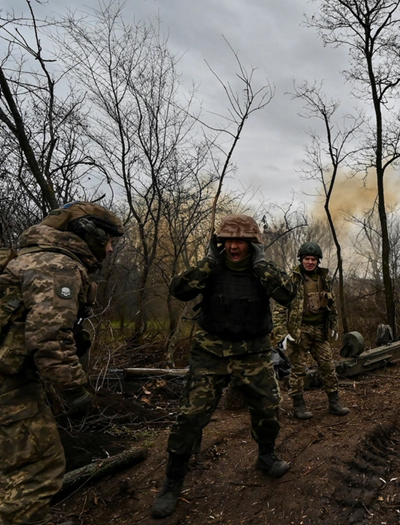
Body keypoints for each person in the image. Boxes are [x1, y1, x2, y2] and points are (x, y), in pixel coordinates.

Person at [151, 215, 296, 519]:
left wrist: (261, 265)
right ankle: (173, 481)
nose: (233, 246)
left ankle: (266, 455)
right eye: (228, 240)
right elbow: (180, 290)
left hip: (253, 352)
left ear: (252, 244)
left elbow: (287, 294)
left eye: (240, 240)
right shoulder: (211, 268)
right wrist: (208, 263)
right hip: (211, 352)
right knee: (190, 415)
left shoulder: (262, 270)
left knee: (269, 407)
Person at [0, 202, 124, 525]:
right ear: (89, 234)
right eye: (109, 240)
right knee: (37, 467)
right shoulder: (57, 266)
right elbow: (49, 340)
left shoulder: (29, 257)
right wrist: (77, 393)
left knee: (18, 462)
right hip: (8, 384)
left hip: (13, 376)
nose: (110, 249)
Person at [273, 242, 349, 420]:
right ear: (301, 259)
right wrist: (281, 333)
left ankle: (334, 402)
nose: (310, 262)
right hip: (299, 331)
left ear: (318, 261)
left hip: (319, 330)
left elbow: (332, 304)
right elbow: (279, 307)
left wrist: (333, 325)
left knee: (328, 366)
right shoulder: (292, 279)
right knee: (298, 369)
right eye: (307, 259)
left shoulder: (324, 279)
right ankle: (299, 405)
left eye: (313, 259)